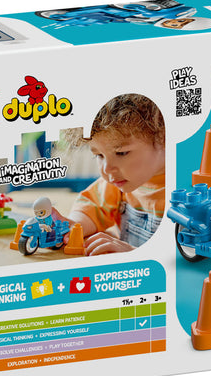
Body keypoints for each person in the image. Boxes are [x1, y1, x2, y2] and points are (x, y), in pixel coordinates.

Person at [63, 93, 165, 256]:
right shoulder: (118, 183)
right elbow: (91, 207)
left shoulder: (192, 190)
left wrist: (134, 253)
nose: (107, 169)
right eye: (99, 155)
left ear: (163, 137)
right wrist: (71, 226)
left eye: (121, 153)